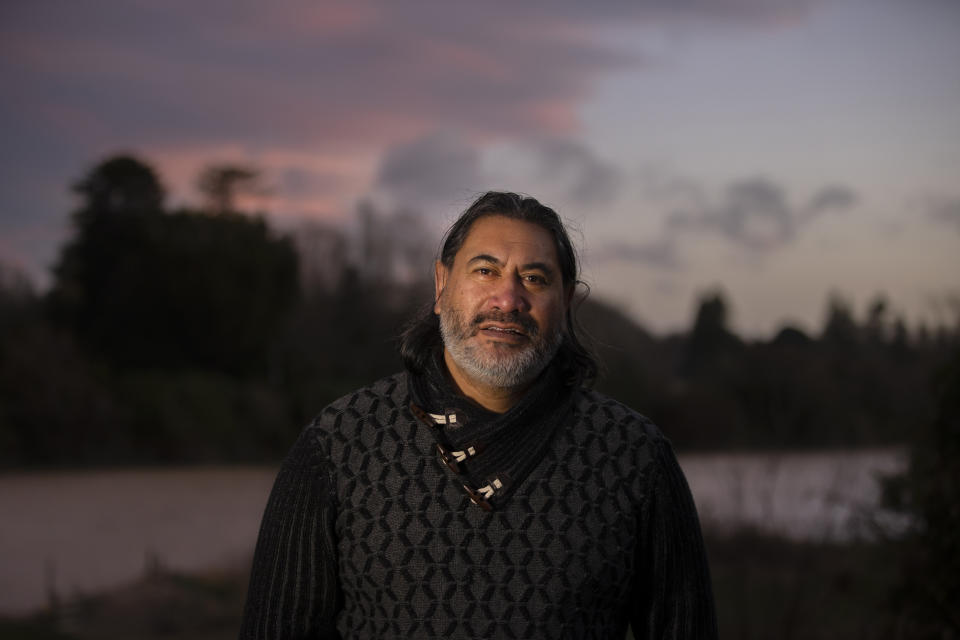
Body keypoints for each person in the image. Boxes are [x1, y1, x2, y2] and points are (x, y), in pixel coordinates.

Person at [240, 192, 718, 639]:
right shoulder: (340, 445)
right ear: (442, 284)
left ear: (566, 302)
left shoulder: (635, 457)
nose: (508, 300)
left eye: (534, 278)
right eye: (485, 271)